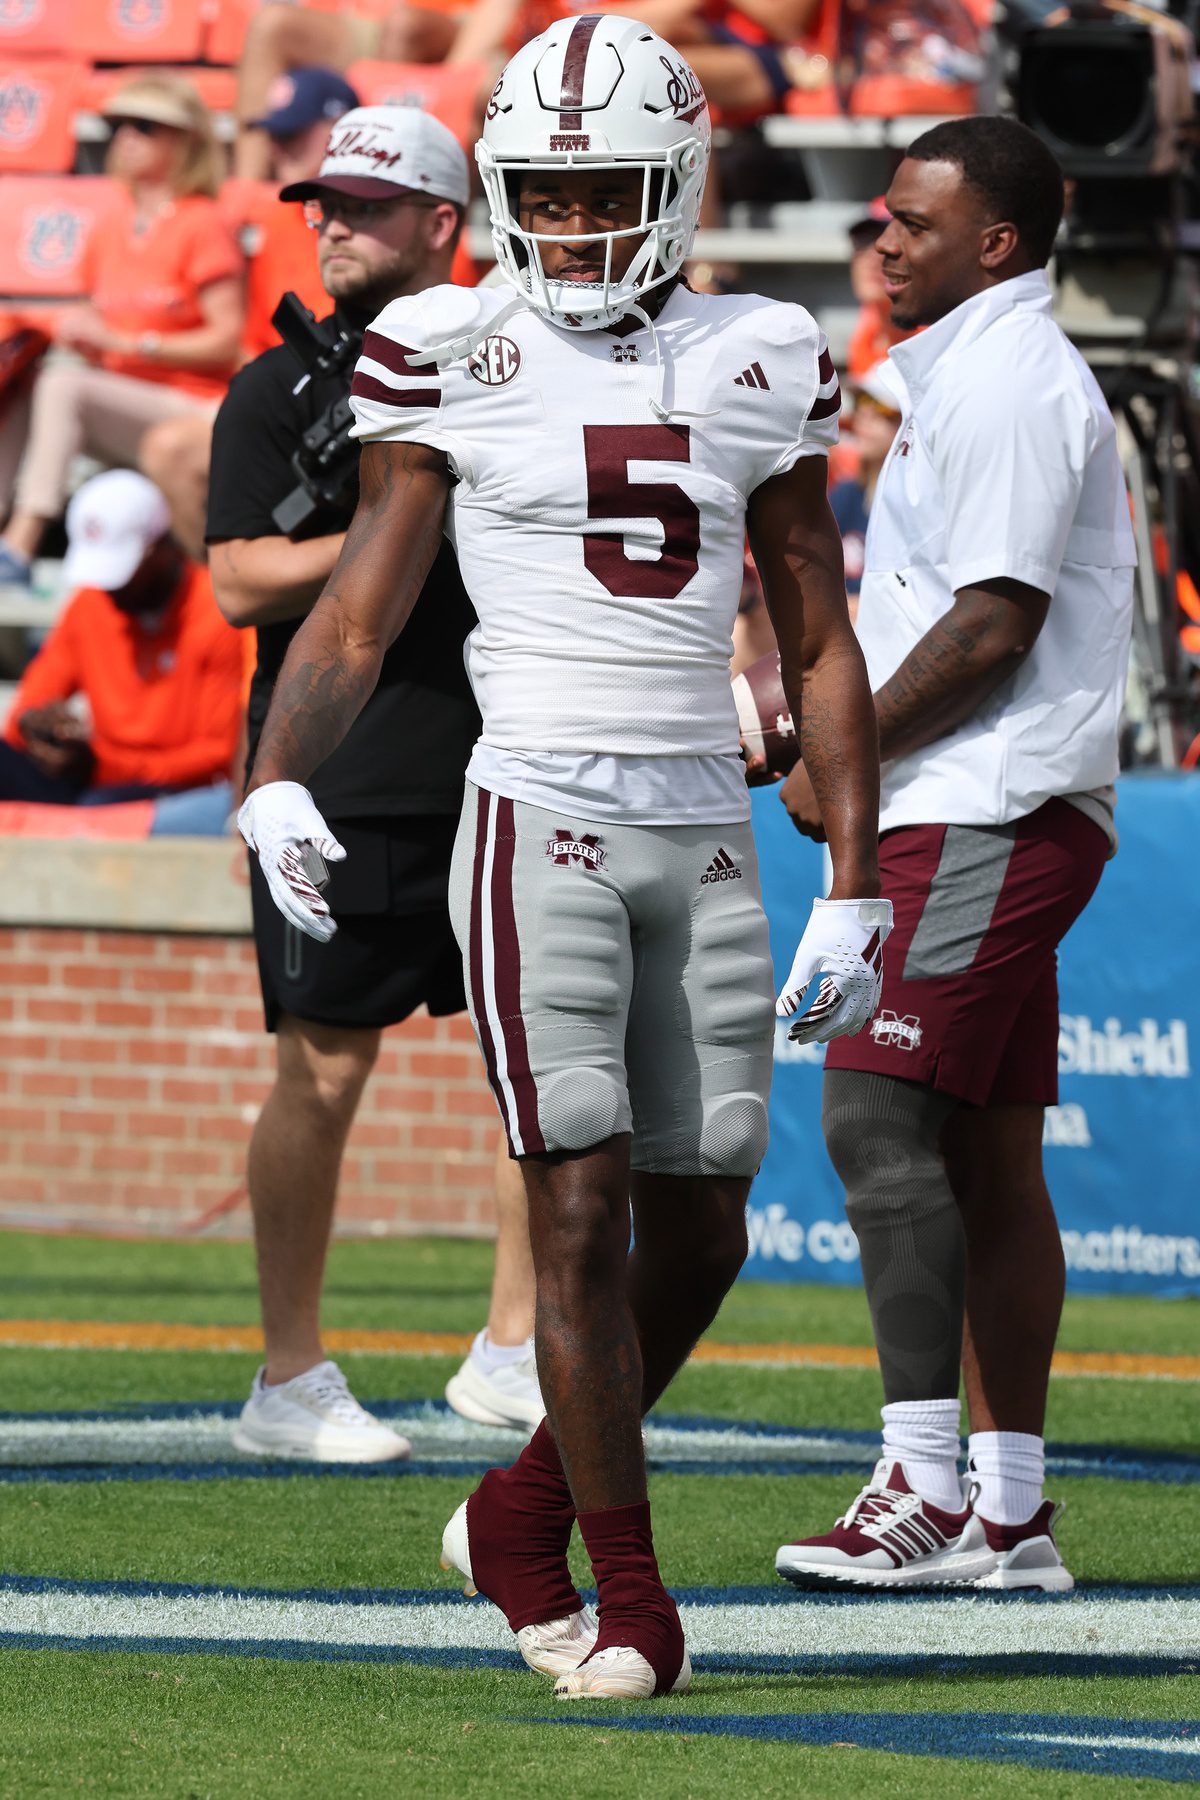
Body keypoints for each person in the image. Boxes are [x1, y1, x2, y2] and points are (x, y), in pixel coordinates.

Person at [237, 17, 886, 1697]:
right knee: (578, 1208)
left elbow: (816, 636)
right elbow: (363, 607)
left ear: (676, 186)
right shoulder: (449, 338)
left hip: (706, 822)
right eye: (549, 191)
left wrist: (864, 878)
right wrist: (272, 777)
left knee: (711, 1222)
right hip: (537, 813)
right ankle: (633, 1598)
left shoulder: (761, 345)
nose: (580, 224)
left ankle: (519, 1511)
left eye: (610, 190)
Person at [773, 117, 1136, 1593]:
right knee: (987, 1159)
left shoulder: (1003, 381)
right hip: (982, 794)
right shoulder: (973, 373)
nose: (882, 240)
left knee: (870, 1123)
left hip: (983, 800)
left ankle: (920, 1489)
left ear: (996, 241)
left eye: (910, 222)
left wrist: (834, 752)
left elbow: (992, 627)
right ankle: (1011, 1513)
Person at [207, 105, 542, 1464]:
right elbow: (236, 576)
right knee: (322, 1075)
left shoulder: (517, 367)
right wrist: (398, 518)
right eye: (321, 203)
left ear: (447, 225)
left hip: (506, 750)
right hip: (336, 772)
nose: (332, 222)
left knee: (537, 1072)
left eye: (368, 203)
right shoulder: (276, 388)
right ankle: (291, 1376)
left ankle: (514, 1348)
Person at [0, 76, 244, 579]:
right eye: (118, 125)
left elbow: (226, 341)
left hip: (196, 405)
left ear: (186, 141)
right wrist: (80, 335)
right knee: (27, 376)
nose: (125, 137)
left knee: (63, 385)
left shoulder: (202, 222)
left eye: (145, 126)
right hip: (125, 400)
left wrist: (127, 342)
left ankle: (22, 541)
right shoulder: (113, 223)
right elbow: (107, 334)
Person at [1, 471, 241, 806]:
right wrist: (38, 727)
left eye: (121, 572)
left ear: (161, 548)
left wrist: (104, 764)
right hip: (97, 773)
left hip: (174, 789)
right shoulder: (91, 602)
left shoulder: (218, 612)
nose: (110, 587)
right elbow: (29, 705)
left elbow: (218, 755)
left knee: (99, 803)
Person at [829, 372, 902, 617]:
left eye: (880, 407)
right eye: (861, 403)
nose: (865, 415)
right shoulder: (845, 495)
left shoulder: (915, 504)